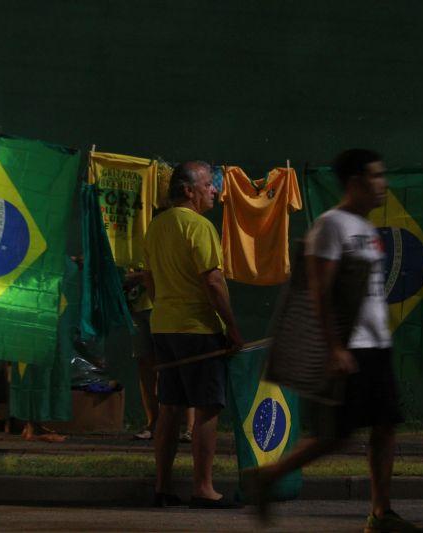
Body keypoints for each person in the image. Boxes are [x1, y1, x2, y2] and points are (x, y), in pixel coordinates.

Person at [246, 150, 423, 532]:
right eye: (377, 177)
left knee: (385, 425)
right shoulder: (331, 225)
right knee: (332, 436)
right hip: (350, 347)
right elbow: (319, 292)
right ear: (355, 182)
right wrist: (334, 348)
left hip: (376, 346)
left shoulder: (366, 227)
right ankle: (268, 477)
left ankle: (381, 513)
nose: (384, 184)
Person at [142, 160, 244, 508]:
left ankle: (162, 486)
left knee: (169, 408)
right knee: (206, 409)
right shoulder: (198, 227)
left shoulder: (156, 227)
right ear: (189, 191)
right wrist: (232, 328)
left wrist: (165, 308)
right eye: (208, 185)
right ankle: (203, 488)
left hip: (164, 328)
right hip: (198, 330)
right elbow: (214, 282)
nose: (215, 189)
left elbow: (150, 280)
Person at [126, 270, 195, 443]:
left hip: (166, 304)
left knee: (178, 363)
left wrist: (143, 276)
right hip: (135, 306)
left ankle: (190, 426)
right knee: (145, 364)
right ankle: (154, 423)